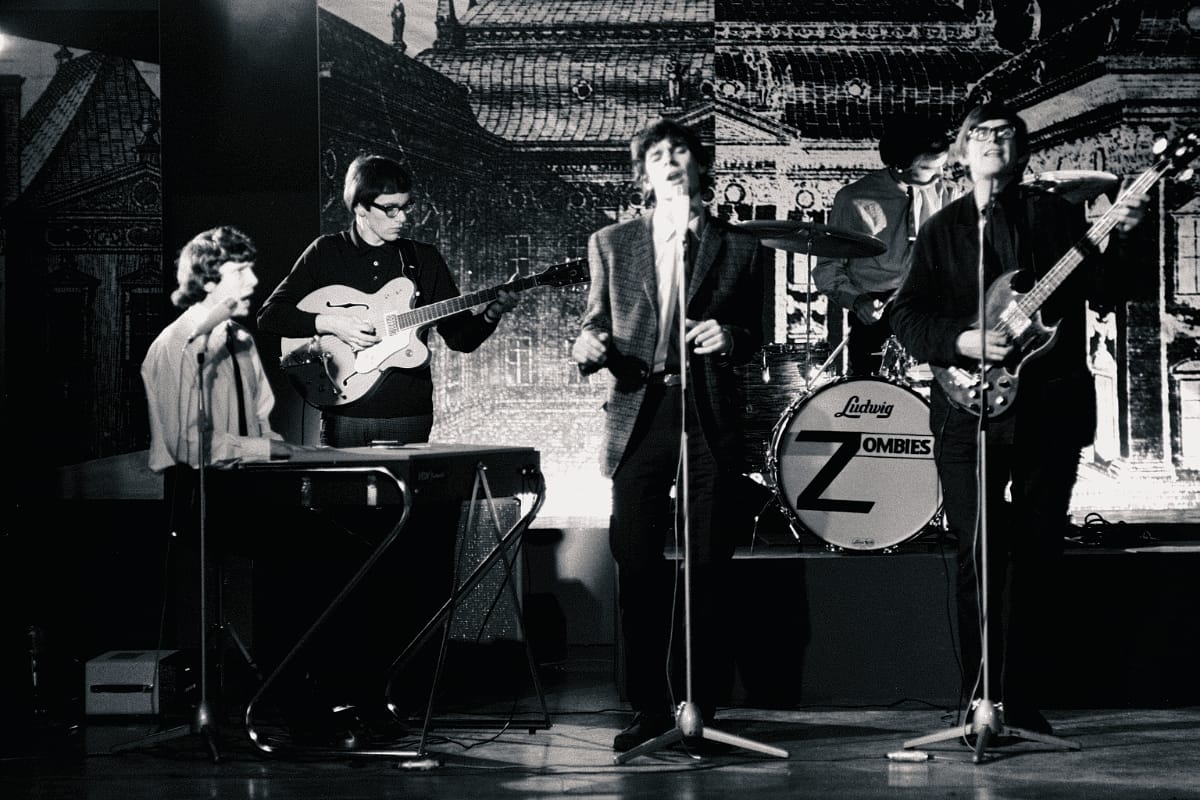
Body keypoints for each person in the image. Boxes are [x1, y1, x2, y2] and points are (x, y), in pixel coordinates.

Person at [889, 102, 1146, 735]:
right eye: (980, 134)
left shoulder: (1058, 219)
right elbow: (906, 318)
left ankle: (1022, 698)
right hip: (965, 410)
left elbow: (1114, 290)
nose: (993, 142)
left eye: (1006, 134)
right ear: (963, 151)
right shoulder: (944, 229)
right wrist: (962, 341)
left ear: (1023, 152)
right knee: (978, 553)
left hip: (1050, 410)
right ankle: (978, 696)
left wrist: (1129, 230)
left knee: (1034, 557)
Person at [572, 118, 765, 752]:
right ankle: (648, 706)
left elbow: (755, 335)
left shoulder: (739, 247)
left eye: (681, 152)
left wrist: (730, 336)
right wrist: (588, 346)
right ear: (643, 174)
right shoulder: (610, 243)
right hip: (640, 411)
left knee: (709, 564)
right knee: (636, 560)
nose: (671, 162)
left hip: (707, 409)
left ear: (699, 167)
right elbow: (592, 325)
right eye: (658, 155)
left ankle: (699, 706)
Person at [257, 154, 517, 447]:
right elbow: (270, 315)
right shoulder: (325, 252)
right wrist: (331, 324)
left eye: (406, 207)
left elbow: (460, 339)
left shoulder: (424, 259)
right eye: (390, 209)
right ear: (360, 207)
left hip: (407, 414)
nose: (403, 218)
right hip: (344, 412)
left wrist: (492, 314)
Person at [813, 114, 957, 376]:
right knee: (876, 402)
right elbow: (828, 268)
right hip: (875, 316)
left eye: (942, 166)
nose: (940, 175)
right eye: (929, 168)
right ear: (900, 165)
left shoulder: (948, 193)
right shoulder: (853, 199)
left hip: (930, 312)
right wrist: (858, 303)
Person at [142, 225, 292, 474]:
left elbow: (260, 417)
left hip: (249, 484)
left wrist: (277, 447)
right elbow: (188, 446)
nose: (253, 281)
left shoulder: (242, 339)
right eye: (240, 271)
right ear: (208, 281)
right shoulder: (175, 345)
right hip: (195, 491)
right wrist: (262, 449)